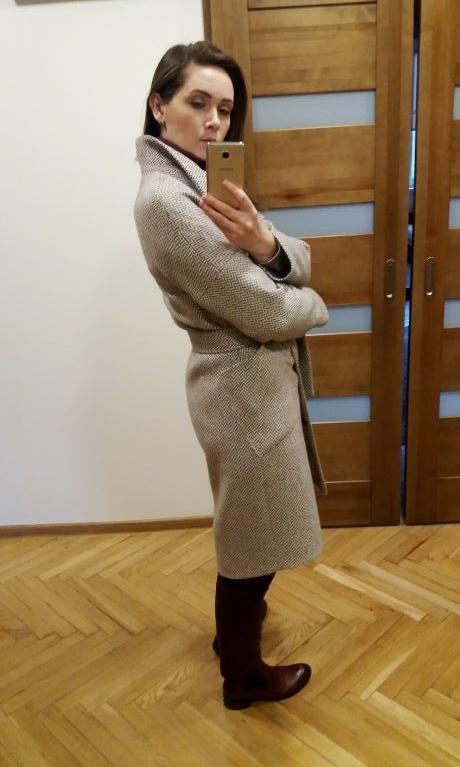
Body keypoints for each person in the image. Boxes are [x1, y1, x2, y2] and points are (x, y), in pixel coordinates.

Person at [133, 41, 329, 710]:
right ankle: (243, 677)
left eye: (225, 108)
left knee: (255, 528)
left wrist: (264, 244)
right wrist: (316, 306)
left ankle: (233, 639)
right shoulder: (167, 200)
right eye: (198, 103)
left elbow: (295, 257)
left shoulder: (205, 184)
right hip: (240, 388)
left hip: (253, 381)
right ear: (160, 105)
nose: (214, 121)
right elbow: (266, 309)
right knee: (251, 540)